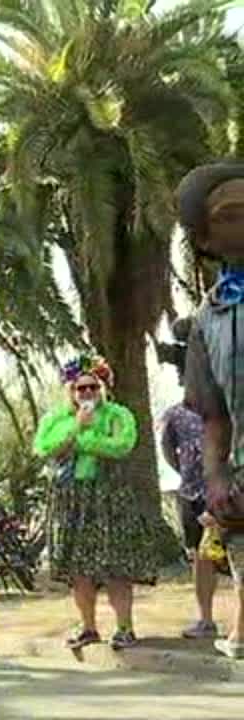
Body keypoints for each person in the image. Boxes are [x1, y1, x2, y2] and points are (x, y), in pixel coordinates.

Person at [34, 355, 160, 650]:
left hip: (110, 497)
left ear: (102, 387)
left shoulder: (118, 414)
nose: (87, 393)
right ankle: (88, 628)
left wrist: (81, 440)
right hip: (71, 500)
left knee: (117, 566)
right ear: (71, 391)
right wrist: (76, 427)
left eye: (93, 387)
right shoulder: (56, 418)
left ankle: (125, 628)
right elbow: (43, 448)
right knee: (80, 569)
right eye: (81, 388)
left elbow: (121, 446)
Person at [178, 161, 244, 660]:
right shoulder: (207, 317)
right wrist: (217, 475)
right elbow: (213, 412)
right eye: (230, 214)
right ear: (204, 235)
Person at [156, 317, 220, 639]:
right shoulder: (176, 414)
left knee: (235, 554)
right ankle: (206, 619)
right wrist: (189, 476)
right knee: (200, 556)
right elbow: (168, 450)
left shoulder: (227, 407)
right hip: (191, 493)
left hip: (226, 491)